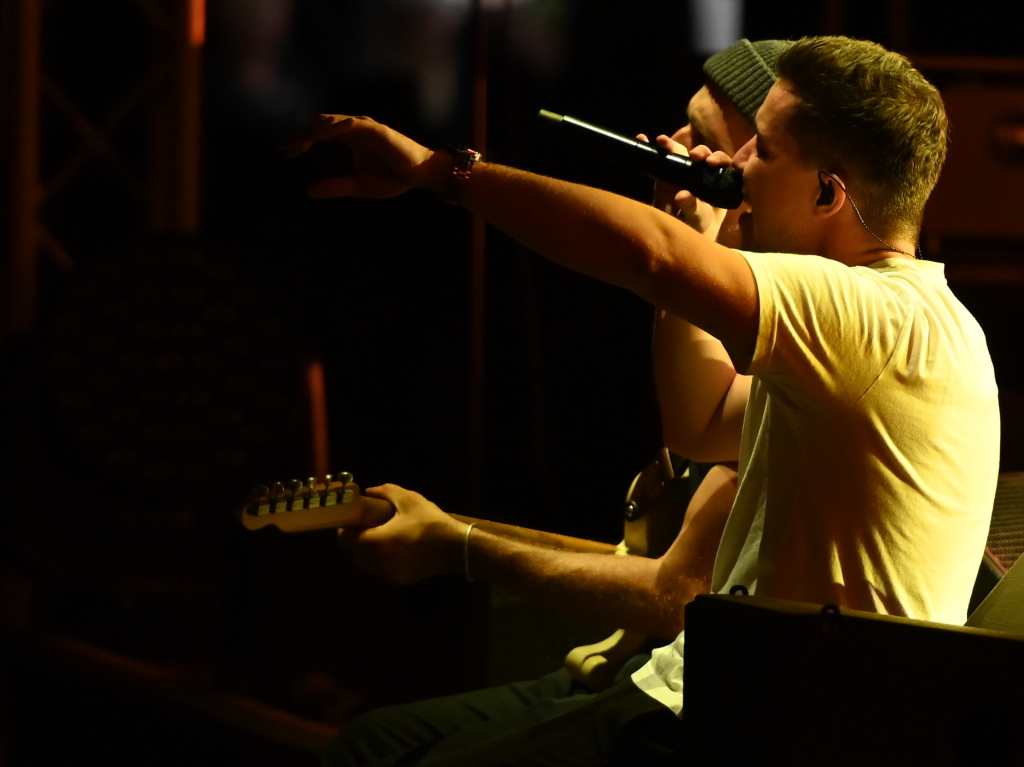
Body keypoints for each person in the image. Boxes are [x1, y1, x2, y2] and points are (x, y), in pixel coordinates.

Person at [284, 35, 1000, 766]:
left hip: (770, 724)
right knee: (374, 747)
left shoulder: (876, 313)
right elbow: (698, 418)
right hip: (732, 700)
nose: (739, 166)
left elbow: (648, 256)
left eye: (766, 153)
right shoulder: (892, 331)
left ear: (828, 192)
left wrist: (441, 172)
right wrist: (702, 236)